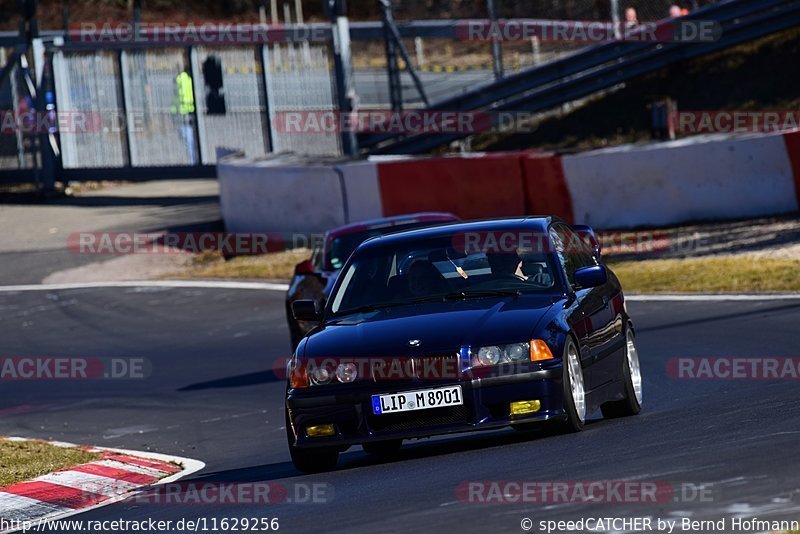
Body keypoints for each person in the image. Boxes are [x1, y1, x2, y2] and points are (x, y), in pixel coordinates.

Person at [171, 67, 197, 164]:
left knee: (188, 139)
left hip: (183, 113)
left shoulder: (181, 79)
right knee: (189, 139)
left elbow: (179, 97)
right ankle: (194, 161)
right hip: (188, 112)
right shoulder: (189, 78)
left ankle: (194, 161)